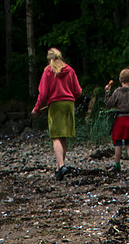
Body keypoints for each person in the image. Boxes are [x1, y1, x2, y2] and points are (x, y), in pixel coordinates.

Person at [32, 48, 82, 181]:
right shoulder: (70, 70)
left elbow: (43, 94)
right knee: (63, 136)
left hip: (56, 104)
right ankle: (58, 170)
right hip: (69, 104)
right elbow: (78, 91)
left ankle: (61, 165)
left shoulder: (48, 71)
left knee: (55, 136)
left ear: (49, 58)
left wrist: (36, 109)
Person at [104, 68, 129, 172]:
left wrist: (107, 92)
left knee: (118, 143)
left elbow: (109, 104)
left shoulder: (116, 92)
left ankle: (117, 165)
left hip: (119, 120)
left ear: (120, 79)